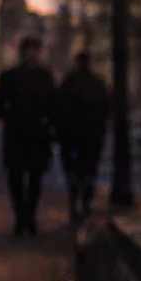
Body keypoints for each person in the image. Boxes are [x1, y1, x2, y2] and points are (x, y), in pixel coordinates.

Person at [0, 36, 58, 236]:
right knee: (17, 179)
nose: (31, 54)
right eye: (28, 50)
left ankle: (28, 216)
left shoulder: (44, 76)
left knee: (34, 179)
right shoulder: (11, 76)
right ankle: (22, 217)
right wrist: (11, 116)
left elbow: (54, 104)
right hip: (19, 134)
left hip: (34, 134)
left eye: (34, 50)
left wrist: (46, 120)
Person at [55, 51, 110, 223]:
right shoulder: (97, 84)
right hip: (90, 138)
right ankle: (85, 204)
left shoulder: (69, 83)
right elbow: (106, 109)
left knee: (73, 173)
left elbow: (59, 109)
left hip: (72, 138)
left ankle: (75, 204)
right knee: (89, 172)